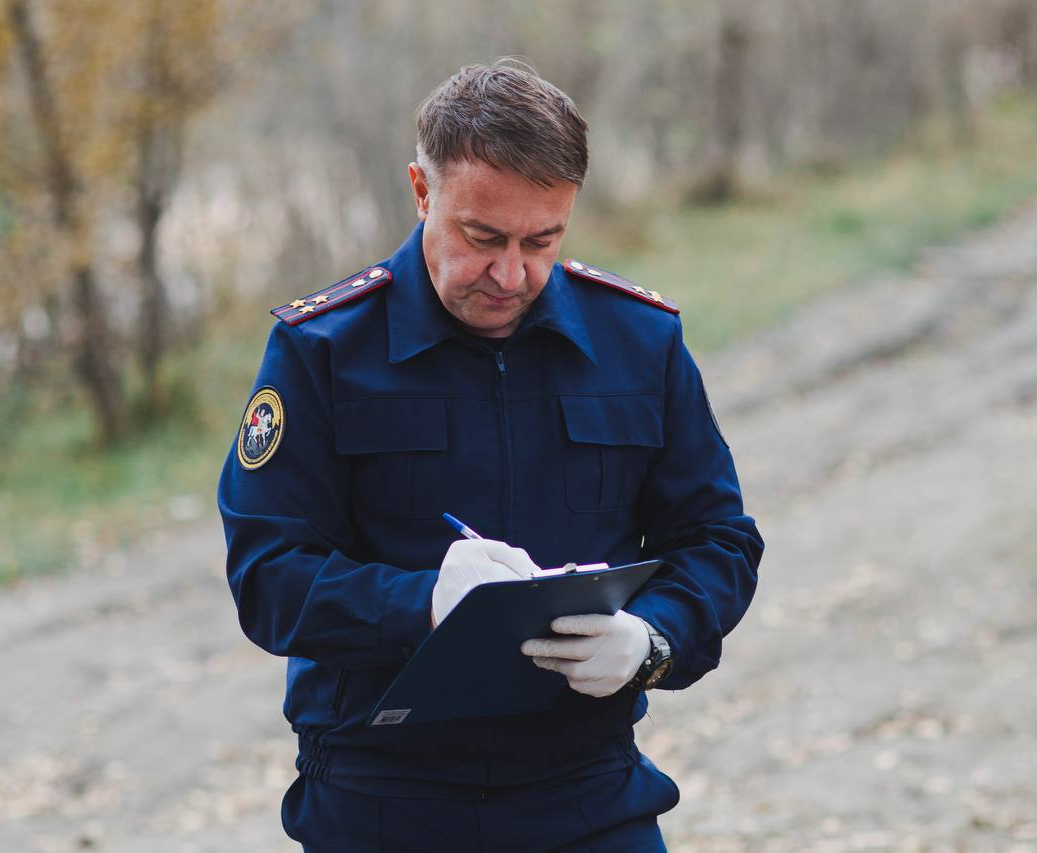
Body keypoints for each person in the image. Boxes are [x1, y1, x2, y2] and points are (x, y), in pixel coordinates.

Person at [217, 59, 764, 852]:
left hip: (586, 788)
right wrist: (424, 603)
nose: (511, 274)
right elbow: (266, 574)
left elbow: (720, 541)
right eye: (483, 237)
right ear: (420, 190)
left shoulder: (638, 343)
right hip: (381, 793)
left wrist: (652, 640)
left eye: (542, 241)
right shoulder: (324, 352)